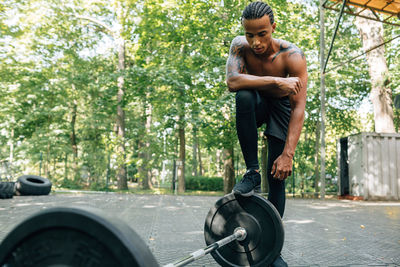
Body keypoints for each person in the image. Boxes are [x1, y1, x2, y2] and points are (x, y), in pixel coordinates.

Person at [226, 2, 307, 266]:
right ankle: (251, 172)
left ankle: (271, 249)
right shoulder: (239, 46)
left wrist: (288, 154)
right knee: (245, 96)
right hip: (258, 102)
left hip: (282, 108)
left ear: (273, 26)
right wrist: (276, 81)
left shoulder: (292, 56)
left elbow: (298, 109)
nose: (256, 42)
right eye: (250, 34)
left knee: (278, 176)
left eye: (262, 33)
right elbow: (233, 82)